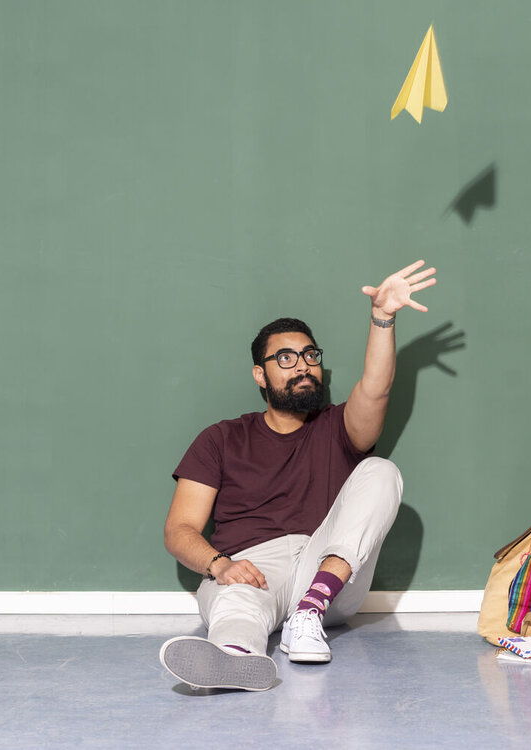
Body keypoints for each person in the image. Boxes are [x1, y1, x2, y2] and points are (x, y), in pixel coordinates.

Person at [158, 260, 436, 691]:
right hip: (252, 567)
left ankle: (309, 612)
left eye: (310, 356)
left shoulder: (338, 427)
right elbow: (179, 529)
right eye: (285, 358)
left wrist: (383, 316)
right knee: (235, 602)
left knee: (381, 472)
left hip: (327, 569)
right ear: (260, 374)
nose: (303, 365)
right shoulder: (221, 439)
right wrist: (220, 565)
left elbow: (377, 387)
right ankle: (235, 659)